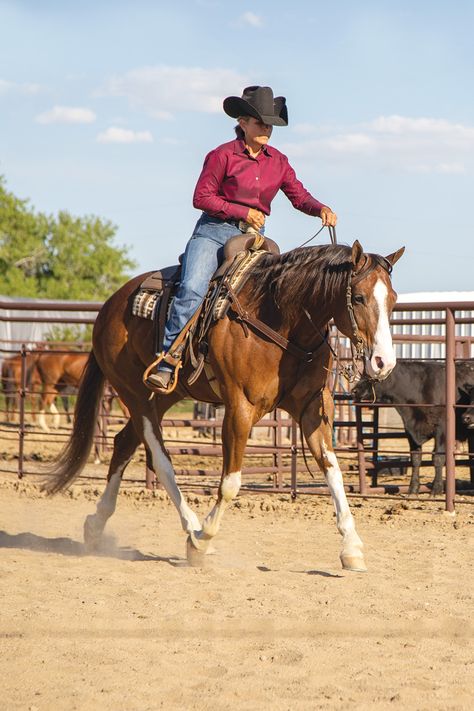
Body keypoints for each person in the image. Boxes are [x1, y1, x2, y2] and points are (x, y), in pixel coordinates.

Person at [145, 85, 337, 391]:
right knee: (193, 287)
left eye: (270, 124)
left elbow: (298, 195)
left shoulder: (279, 162)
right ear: (242, 123)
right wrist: (242, 211)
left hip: (253, 239)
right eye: (259, 122)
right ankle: (168, 359)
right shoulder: (221, 156)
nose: (266, 129)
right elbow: (201, 197)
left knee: (278, 293)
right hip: (213, 232)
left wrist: (320, 209)